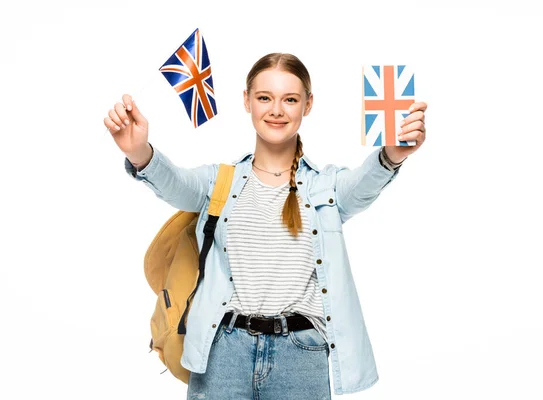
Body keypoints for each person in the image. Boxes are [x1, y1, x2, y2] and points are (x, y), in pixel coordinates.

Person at [104, 53, 427, 399]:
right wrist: (140, 153)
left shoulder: (326, 187)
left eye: (290, 99)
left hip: (301, 357)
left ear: (308, 104)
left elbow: (364, 183)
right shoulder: (219, 183)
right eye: (264, 98)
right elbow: (175, 183)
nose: (276, 110)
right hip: (223, 354)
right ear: (247, 100)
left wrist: (392, 154)